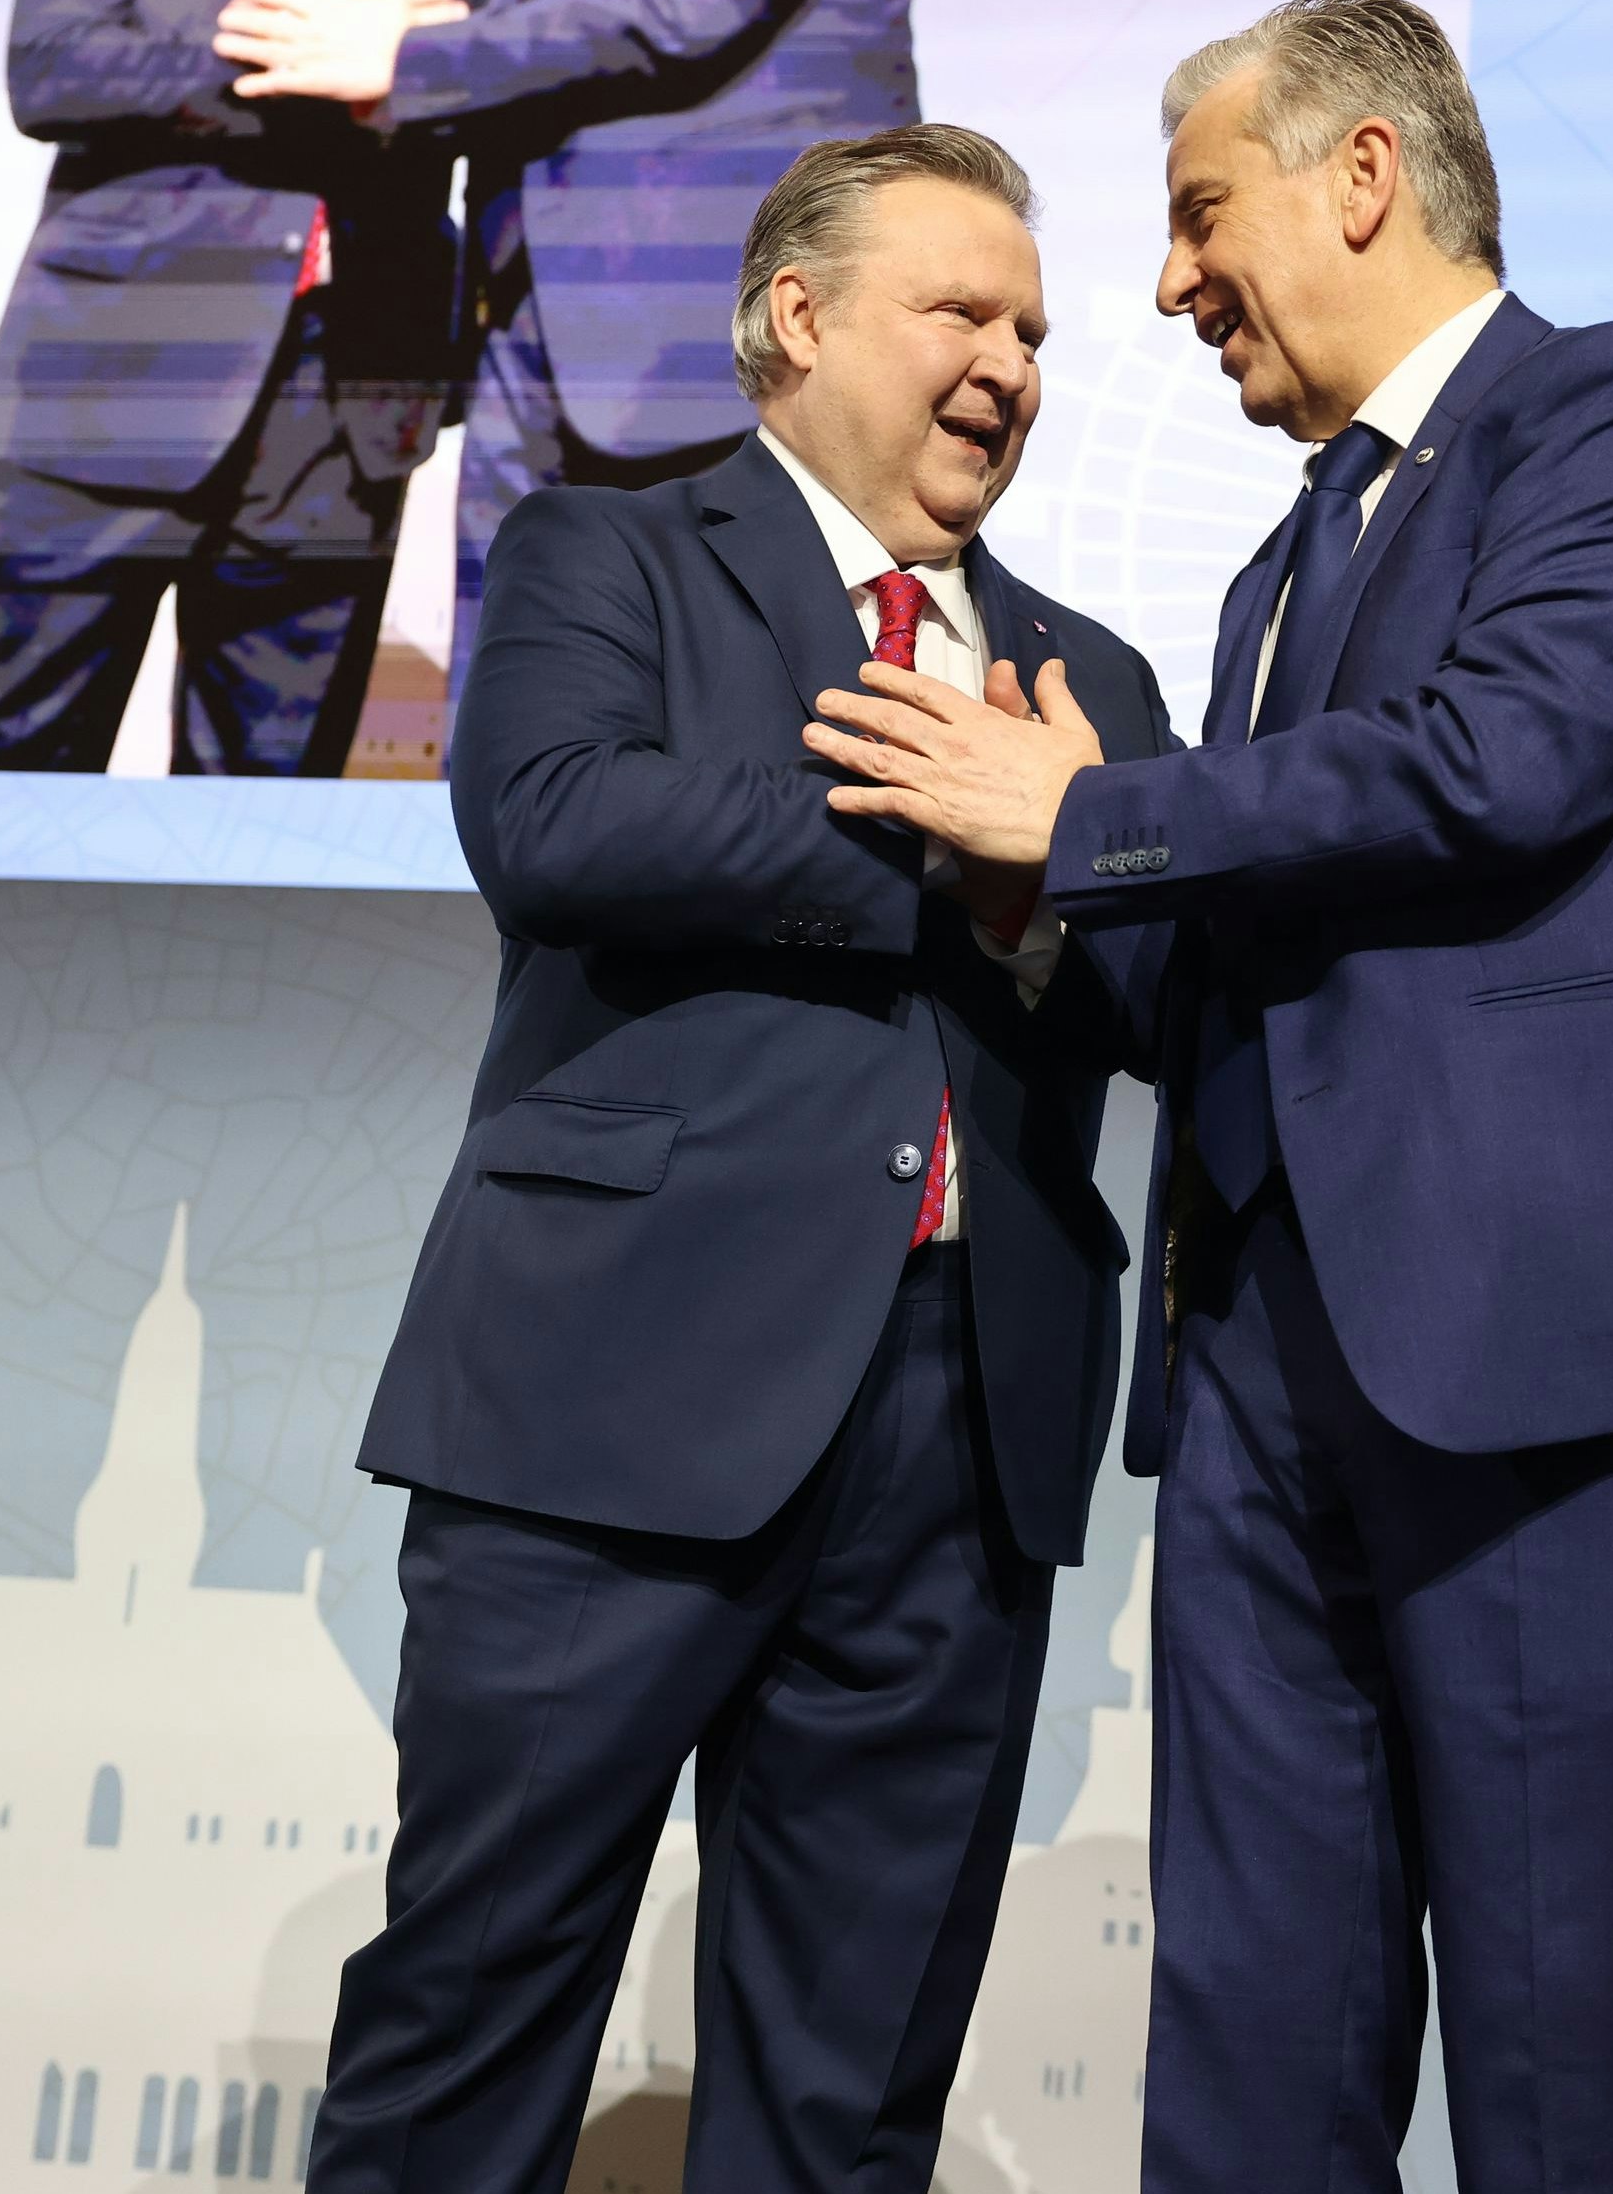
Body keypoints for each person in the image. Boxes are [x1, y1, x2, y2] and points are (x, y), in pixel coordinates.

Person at [802, 0, 1613, 2194]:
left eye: (1198, 217)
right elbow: (1238, 945)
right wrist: (1031, 903)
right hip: (1259, 1388)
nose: (1168, 286)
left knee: (1567, 2094)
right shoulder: (1275, 571)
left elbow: (1499, 764)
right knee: (1247, 2084)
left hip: (1556, 1378)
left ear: (1359, 175)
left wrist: (1085, 820)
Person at [313, 125, 1172, 2194]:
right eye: (962, 311)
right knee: (472, 2021)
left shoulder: (1094, 684)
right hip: (607, 1409)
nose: (1014, 366)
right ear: (795, 319)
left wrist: (1054, 853)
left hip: (961, 1442)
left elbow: (1168, 990)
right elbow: (555, 826)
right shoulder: (603, 552)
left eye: (1035, 333)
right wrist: (964, 854)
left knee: (847, 2079)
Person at [213, 0, 922, 722]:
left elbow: (692, 0)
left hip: (728, 309)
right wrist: (358, 2)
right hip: (530, 301)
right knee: (515, 709)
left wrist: (408, 53)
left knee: (759, 718)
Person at [0, 0, 471, 775]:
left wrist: (412, 60)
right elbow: (52, 69)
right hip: (114, 366)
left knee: (265, 795)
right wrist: (309, 52)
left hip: (347, 390)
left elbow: (493, 86)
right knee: (24, 758)